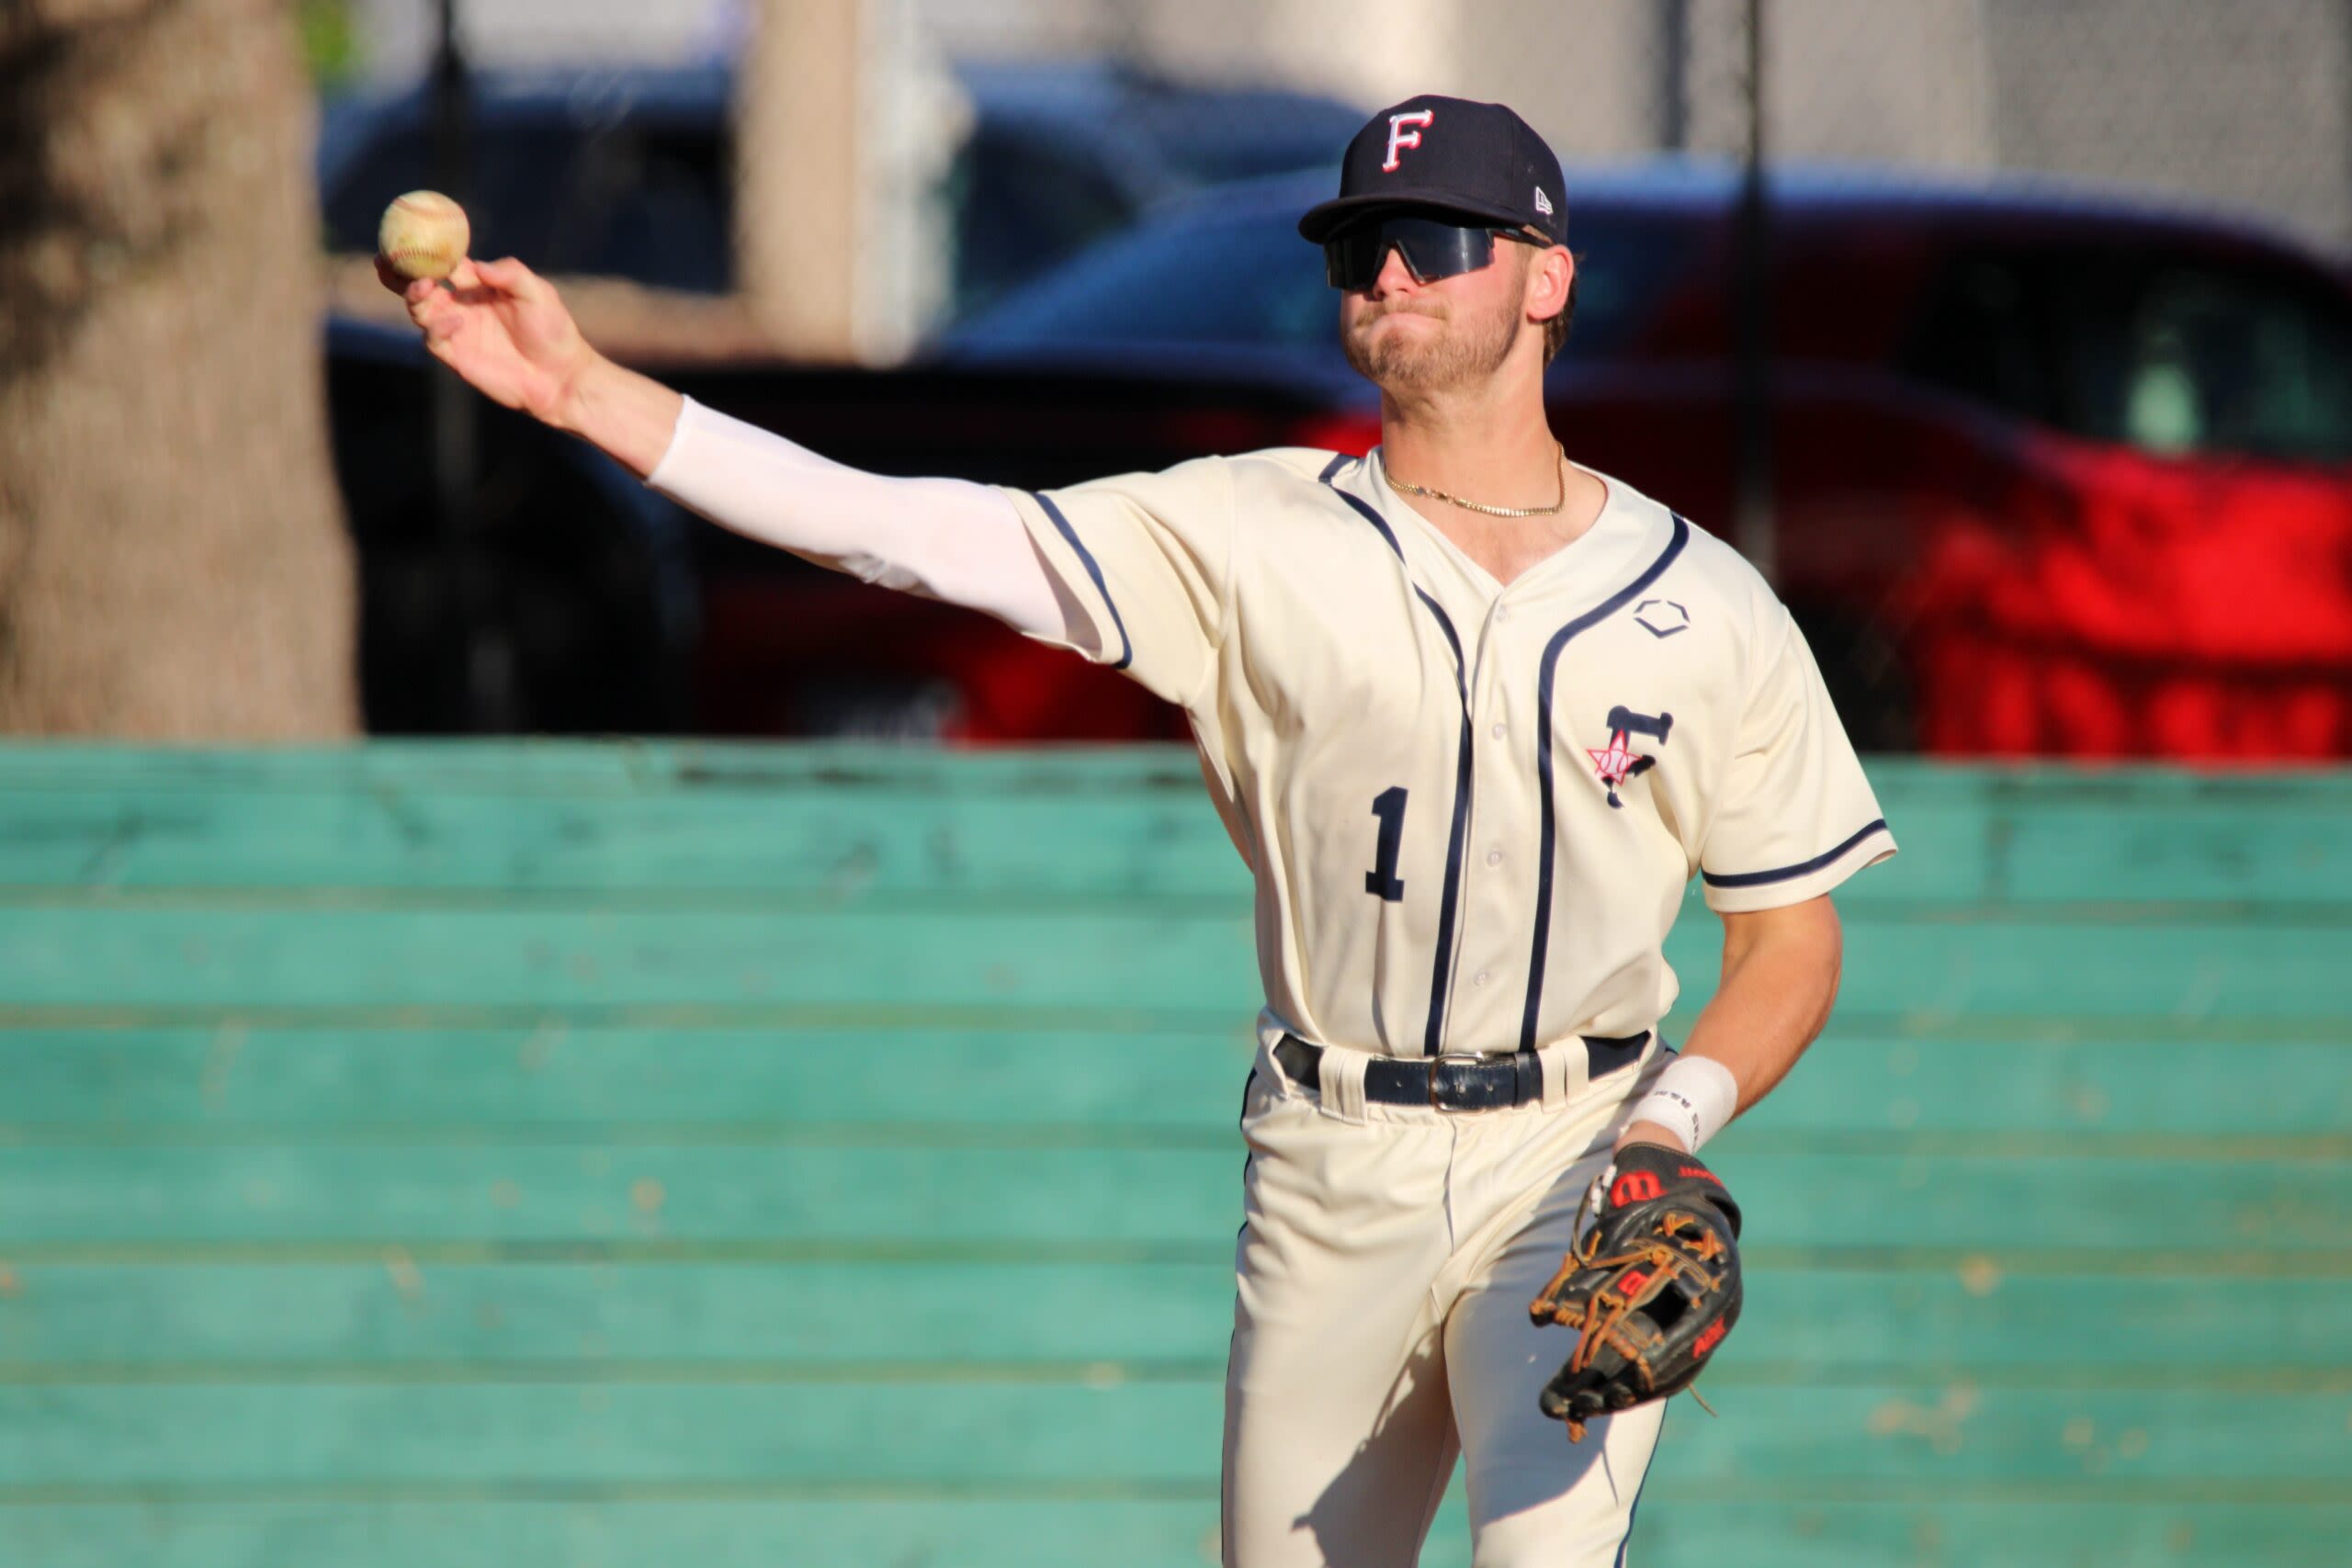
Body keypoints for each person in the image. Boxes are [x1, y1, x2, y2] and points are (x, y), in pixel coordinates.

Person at [390, 94, 1896, 1568]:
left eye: (1437, 239)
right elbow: (898, 529)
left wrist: (1665, 1127)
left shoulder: (1703, 601)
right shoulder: (1246, 531)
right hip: (1334, 1155)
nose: (1388, 271)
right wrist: (586, 391)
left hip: (1580, 1151)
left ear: (1547, 275)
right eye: (1361, 242)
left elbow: (1789, 939)